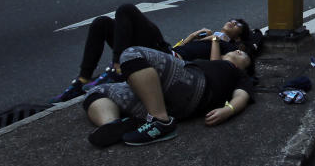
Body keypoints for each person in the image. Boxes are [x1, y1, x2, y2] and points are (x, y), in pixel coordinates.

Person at [51, 3, 252, 103]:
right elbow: (179, 47)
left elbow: (215, 66)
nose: (233, 22)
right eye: (233, 19)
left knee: (127, 10)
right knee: (101, 23)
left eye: (238, 25)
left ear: (238, 38)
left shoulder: (228, 48)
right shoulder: (205, 38)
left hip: (170, 61)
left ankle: (118, 68)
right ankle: (83, 80)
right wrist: (192, 37)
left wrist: (217, 39)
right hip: (166, 51)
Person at [83, 41, 255, 147]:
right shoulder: (212, 61)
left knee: (132, 53)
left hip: (194, 86)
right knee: (96, 91)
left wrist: (228, 110)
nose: (239, 51)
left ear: (244, 67)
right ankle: (112, 125)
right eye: (237, 50)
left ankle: (161, 121)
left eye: (243, 55)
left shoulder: (239, 74)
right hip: (168, 103)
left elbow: (242, 96)